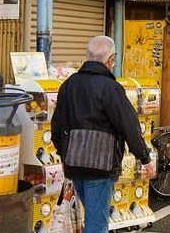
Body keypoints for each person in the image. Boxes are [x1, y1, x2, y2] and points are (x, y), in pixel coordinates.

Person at [52, 36, 151, 233]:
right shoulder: (111, 88)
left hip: (74, 165)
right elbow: (129, 126)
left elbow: (56, 127)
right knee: (96, 225)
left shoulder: (68, 85)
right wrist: (145, 158)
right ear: (110, 59)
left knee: (92, 217)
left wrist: (65, 154)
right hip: (100, 166)